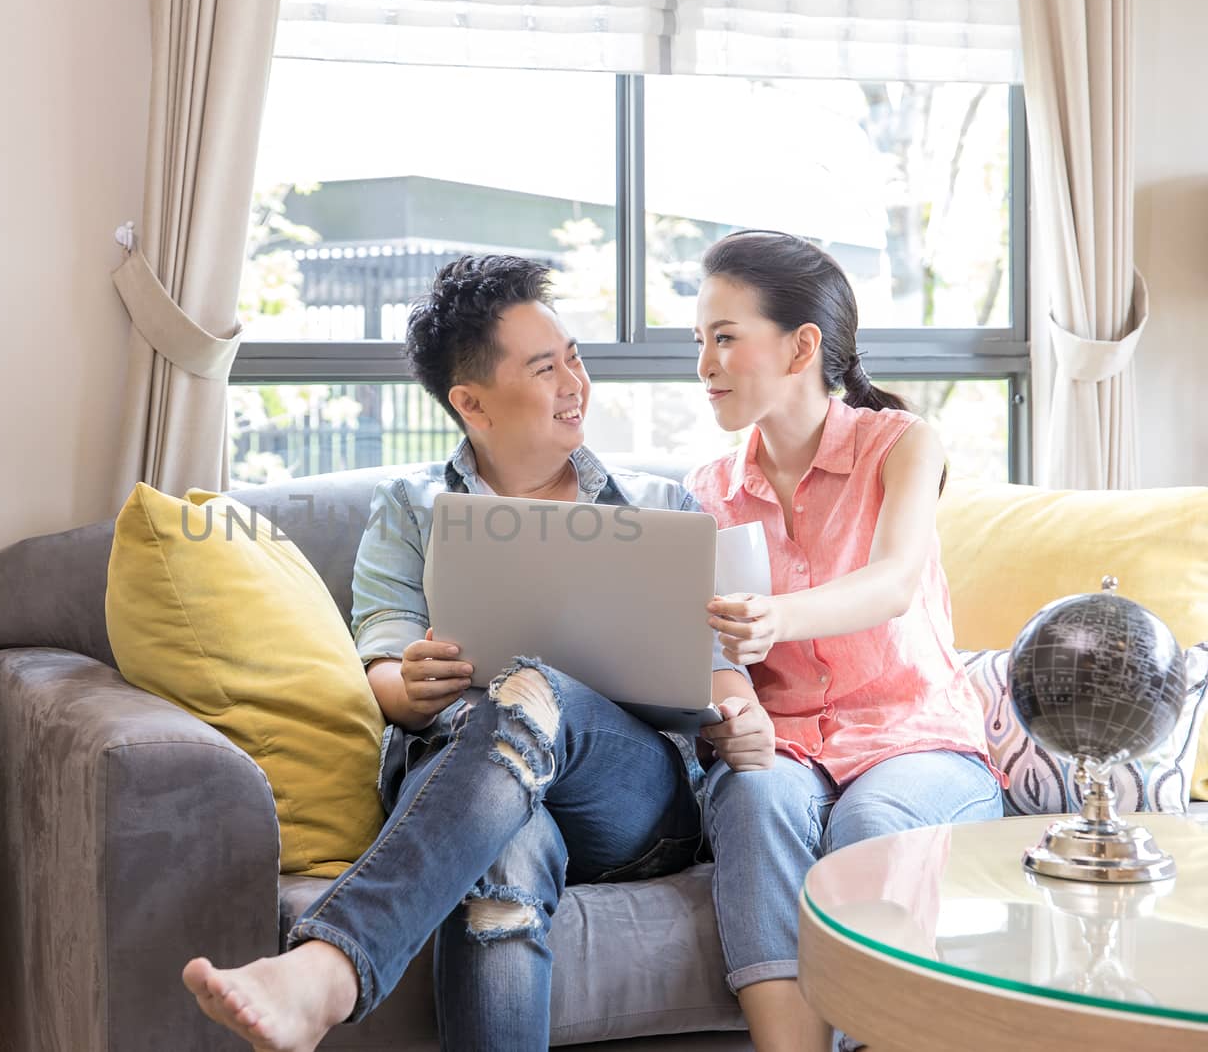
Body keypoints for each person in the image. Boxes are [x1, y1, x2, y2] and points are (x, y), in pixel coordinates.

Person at [183, 254, 772, 1052]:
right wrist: (407, 682)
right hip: (469, 780)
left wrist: (740, 715)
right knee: (506, 853)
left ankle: (326, 966)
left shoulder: (659, 506)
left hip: (630, 801)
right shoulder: (414, 509)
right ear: (471, 401)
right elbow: (382, 661)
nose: (574, 382)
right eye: (543, 367)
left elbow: (719, 670)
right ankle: (329, 966)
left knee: (533, 686)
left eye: (574, 357)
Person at [684, 230, 1006, 1052]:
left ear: (801, 346)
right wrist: (733, 707)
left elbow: (893, 580)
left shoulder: (900, 445)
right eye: (700, 342)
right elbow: (709, 650)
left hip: (917, 738)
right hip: (786, 747)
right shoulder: (705, 491)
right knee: (750, 797)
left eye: (725, 337)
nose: (705, 365)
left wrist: (778, 616)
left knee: (876, 820)